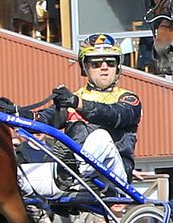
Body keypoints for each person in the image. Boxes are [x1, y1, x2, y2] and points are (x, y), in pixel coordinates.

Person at [23, 33, 142, 191]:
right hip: (74, 175)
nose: (104, 67)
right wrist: (17, 112)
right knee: (16, 175)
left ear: (118, 66)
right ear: (85, 67)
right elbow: (44, 119)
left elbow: (114, 114)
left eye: (111, 62)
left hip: (114, 175)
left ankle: (73, 167)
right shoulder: (75, 98)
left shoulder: (129, 99)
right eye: (97, 63)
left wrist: (78, 104)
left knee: (100, 137)